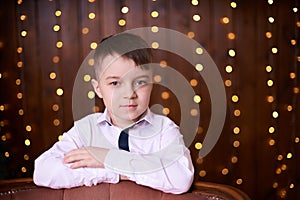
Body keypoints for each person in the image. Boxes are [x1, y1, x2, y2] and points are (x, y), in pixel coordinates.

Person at [33, 33, 194, 194]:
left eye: (140, 82)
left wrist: (109, 158)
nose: (129, 93)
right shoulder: (86, 129)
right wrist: (112, 170)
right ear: (98, 89)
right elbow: (44, 171)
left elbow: (180, 178)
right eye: (115, 83)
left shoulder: (164, 129)